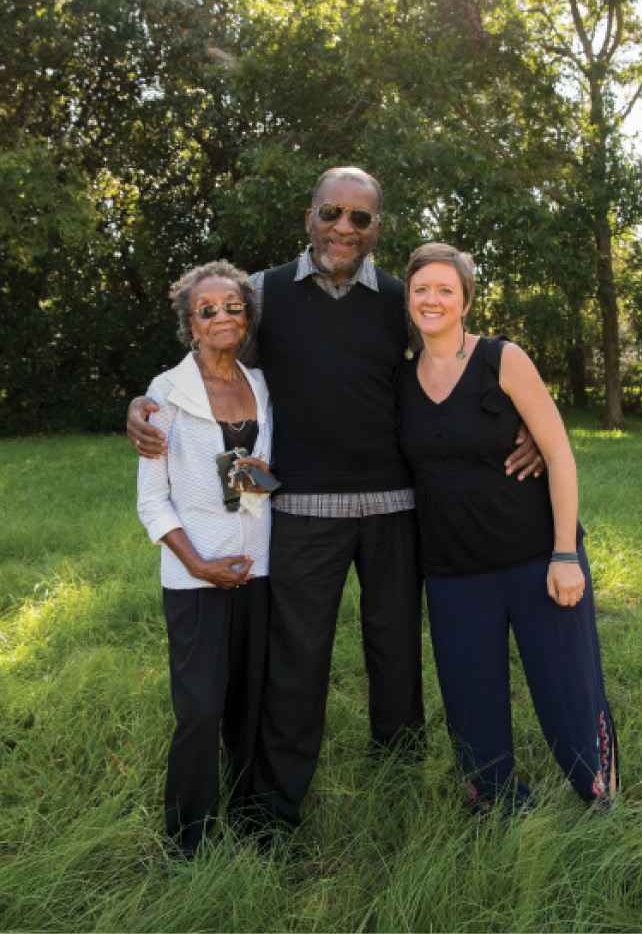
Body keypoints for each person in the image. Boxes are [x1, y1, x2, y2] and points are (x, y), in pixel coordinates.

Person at [128, 167, 542, 834]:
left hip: (395, 509)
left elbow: (457, 359)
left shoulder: (395, 299)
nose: (343, 228)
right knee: (295, 666)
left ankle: (399, 787)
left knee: (396, 657)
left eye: (359, 217)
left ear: (377, 228)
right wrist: (143, 402)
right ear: (309, 217)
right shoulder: (260, 294)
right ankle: (274, 811)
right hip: (298, 512)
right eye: (331, 213)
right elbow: (213, 362)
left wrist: (524, 422)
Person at [397, 242, 617, 811]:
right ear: (408, 298)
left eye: (446, 289)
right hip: (452, 571)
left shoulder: (502, 358)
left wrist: (565, 554)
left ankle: (600, 797)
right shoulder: (400, 379)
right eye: (421, 289)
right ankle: (493, 805)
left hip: (534, 556)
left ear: (465, 299)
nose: (432, 299)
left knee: (567, 690)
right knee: (472, 703)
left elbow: (559, 454)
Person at [136, 260, 277, 856]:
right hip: (195, 580)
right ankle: (189, 838)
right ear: (190, 324)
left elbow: (262, 477)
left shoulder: (264, 385)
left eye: (233, 306)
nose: (222, 316)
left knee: (251, 706)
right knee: (198, 709)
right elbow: (151, 501)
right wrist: (197, 564)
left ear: (247, 317)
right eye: (208, 309)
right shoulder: (166, 394)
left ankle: (249, 818)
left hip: (259, 573)